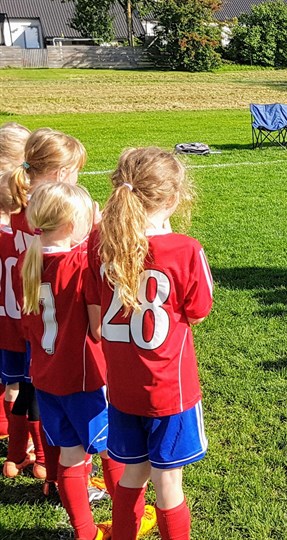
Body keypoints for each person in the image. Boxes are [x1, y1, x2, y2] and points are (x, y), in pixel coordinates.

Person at [87, 147, 206, 540]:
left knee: (133, 473)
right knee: (168, 482)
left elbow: (95, 301)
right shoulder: (185, 249)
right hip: (169, 390)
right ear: (173, 199)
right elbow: (198, 311)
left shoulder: (99, 242)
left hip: (122, 387)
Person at [17, 183, 139, 540]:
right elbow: (98, 330)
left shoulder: (29, 259)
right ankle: (125, 522)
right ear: (72, 224)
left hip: (45, 376)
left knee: (70, 455)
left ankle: (84, 532)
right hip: (84, 378)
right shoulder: (78, 264)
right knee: (113, 451)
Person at [3, 128, 86, 485]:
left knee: (25, 389)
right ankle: (49, 469)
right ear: (62, 173)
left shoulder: (19, 207)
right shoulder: (54, 213)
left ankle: (18, 456)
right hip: (52, 324)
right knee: (45, 396)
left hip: (23, 316)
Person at [0, 122, 30, 452]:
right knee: (23, 387)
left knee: (8, 381)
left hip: (3, 320)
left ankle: (8, 437)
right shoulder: (24, 234)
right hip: (21, 324)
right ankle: (27, 450)